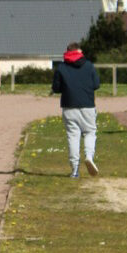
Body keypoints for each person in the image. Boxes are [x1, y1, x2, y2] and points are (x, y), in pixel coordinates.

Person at [51, 42, 100, 178]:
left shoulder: (61, 67)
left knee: (73, 136)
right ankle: (89, 156)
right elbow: (96, 84)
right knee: (90, 132)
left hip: (69, 106)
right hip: (88, 105)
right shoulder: (89, 65)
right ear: (79, 51)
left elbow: (56, 88)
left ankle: (74, 170)